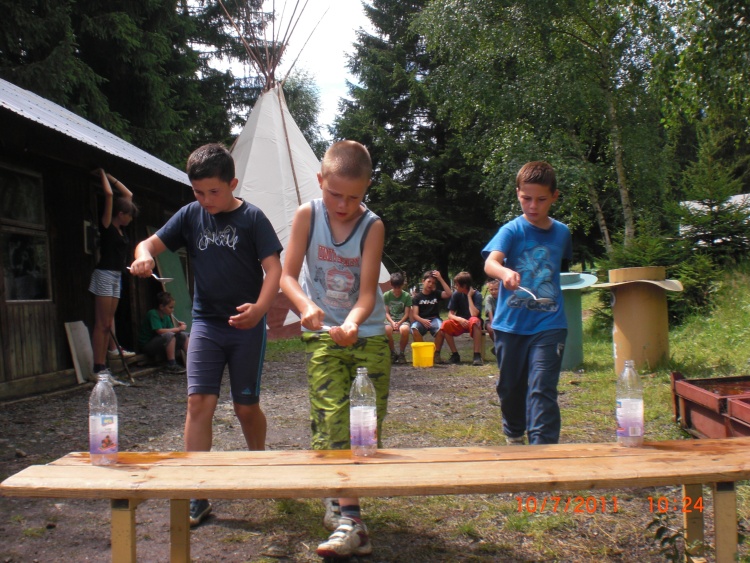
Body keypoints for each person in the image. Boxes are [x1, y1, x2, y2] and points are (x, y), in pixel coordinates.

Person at [129, 143, 282, 527]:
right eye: (198, 192)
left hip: (246, 326)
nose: (206, 199)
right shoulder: (190, 215)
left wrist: (260, 309)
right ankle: (197, 492)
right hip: (206, 326)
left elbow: (274, 269)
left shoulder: (252, 218)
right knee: (198, 403)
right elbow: (148, 243)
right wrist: (144, 255)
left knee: (245, 407)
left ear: (232, 183)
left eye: (213, 191)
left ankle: (259, 464)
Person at [279, 140, 389, 559]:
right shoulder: (307, 215)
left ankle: (340, 497)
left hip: (368, 335)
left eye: (354, 198)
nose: (343, 205)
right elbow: (288, 276)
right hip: (323, 334)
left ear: (366, 189)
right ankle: (352, 520)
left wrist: (354, 323)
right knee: (330, 414)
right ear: (320, 180)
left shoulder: (372, 226)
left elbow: (367, 293)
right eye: (334, 194)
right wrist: (306, 306)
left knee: (366, 425)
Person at [482, 161, 571, 446]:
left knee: (542, 388)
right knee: (510, 388)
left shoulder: (562, 233)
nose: (533, 206)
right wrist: (504, 273)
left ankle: (543, 450)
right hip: (510, 325)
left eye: (541, 199)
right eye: (526, 198)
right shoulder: (511, 230)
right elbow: (490, 262)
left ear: (554, 196)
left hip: (550, 323)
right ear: (518, 194)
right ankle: (514, 433)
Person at [88, 169, 138, 374]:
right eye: (129, 216)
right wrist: (102, 174)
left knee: (109, 324)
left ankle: (104, 366)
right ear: (121, 214)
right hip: (104, 275)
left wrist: (111, 177)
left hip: (117, 276)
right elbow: (109, 194)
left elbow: (128, 195)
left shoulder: (121, 230)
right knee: (102, 324)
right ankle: (98, 367)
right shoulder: (107, 225)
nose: (131, 219)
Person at [440, 271, 485, 366]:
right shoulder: (456, 294)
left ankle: (477, 355)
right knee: (445, 324)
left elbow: (474, 314)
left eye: (457, 284)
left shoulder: (477, 295)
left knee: (475, 321)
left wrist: (469, 297)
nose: (455, 286)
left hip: (473, 322)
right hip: (461, 322)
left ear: (464, 286)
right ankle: (455, 354)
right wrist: (459, 319)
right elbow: (450, 315)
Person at [137, 291, 189, 373]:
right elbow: (160, 331)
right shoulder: (153, 314)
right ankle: (172, 364)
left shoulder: (166, 316)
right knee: (169, 336)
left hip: (159, 343)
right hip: (148, 345)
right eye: (170, 307)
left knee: (183, 336)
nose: (172, 310)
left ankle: (192, 360)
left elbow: (172, 331)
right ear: (161, 307)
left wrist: (179, 329)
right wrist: (178, 329)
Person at [410, 270, 451, 364]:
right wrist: (423, 321)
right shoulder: (417, 297)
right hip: (421, 320)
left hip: (434, 319)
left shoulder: (436, 293)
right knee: (414, 328)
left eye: (433, 283)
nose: (430, 284)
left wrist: (440, 279)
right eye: (429, 281)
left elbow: (449, 294)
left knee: (441, 329)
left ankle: (436, 354)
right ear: (423, 281)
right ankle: (423, 353)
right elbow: (415, 315)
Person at [383, 272, 412, 364]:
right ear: (391, 285)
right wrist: (392, 322)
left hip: (402, 320)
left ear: (402, 285)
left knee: (405, 330)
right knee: (386, 330)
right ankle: (392, 352)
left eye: (399, 287)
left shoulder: (406, 296)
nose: (397, 290)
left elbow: (407, 314)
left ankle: (401, 353)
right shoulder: (386, 295)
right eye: (395, 287)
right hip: (390, 320)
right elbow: (386, 313)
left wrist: (399, 323)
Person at [483, 279, 499, 355]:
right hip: (490, 320)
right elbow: (489, 312)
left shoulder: (503, 297)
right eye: (491, 289)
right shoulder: (489, 298)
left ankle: (498, 347)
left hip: (501, 320)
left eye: (496, 289)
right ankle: (498, 346)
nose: (494, 291)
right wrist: (493, 324)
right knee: (491, 328)